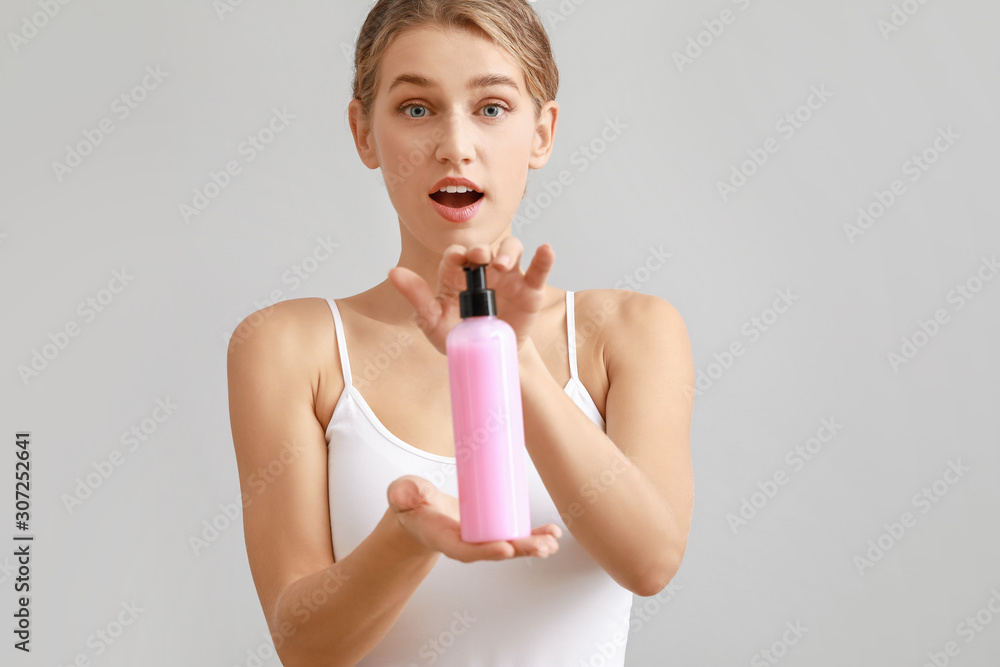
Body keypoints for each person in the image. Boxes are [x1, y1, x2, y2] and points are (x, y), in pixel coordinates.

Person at [226, 1, 694, 664]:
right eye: (416, 108)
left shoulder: (630, 332)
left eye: (492, 108)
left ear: (542, 131)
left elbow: (650, 559)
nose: (455, 145)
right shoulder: (288, 347)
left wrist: (510, 355)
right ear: (364, 132)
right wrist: (409, 535)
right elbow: (306, 646)